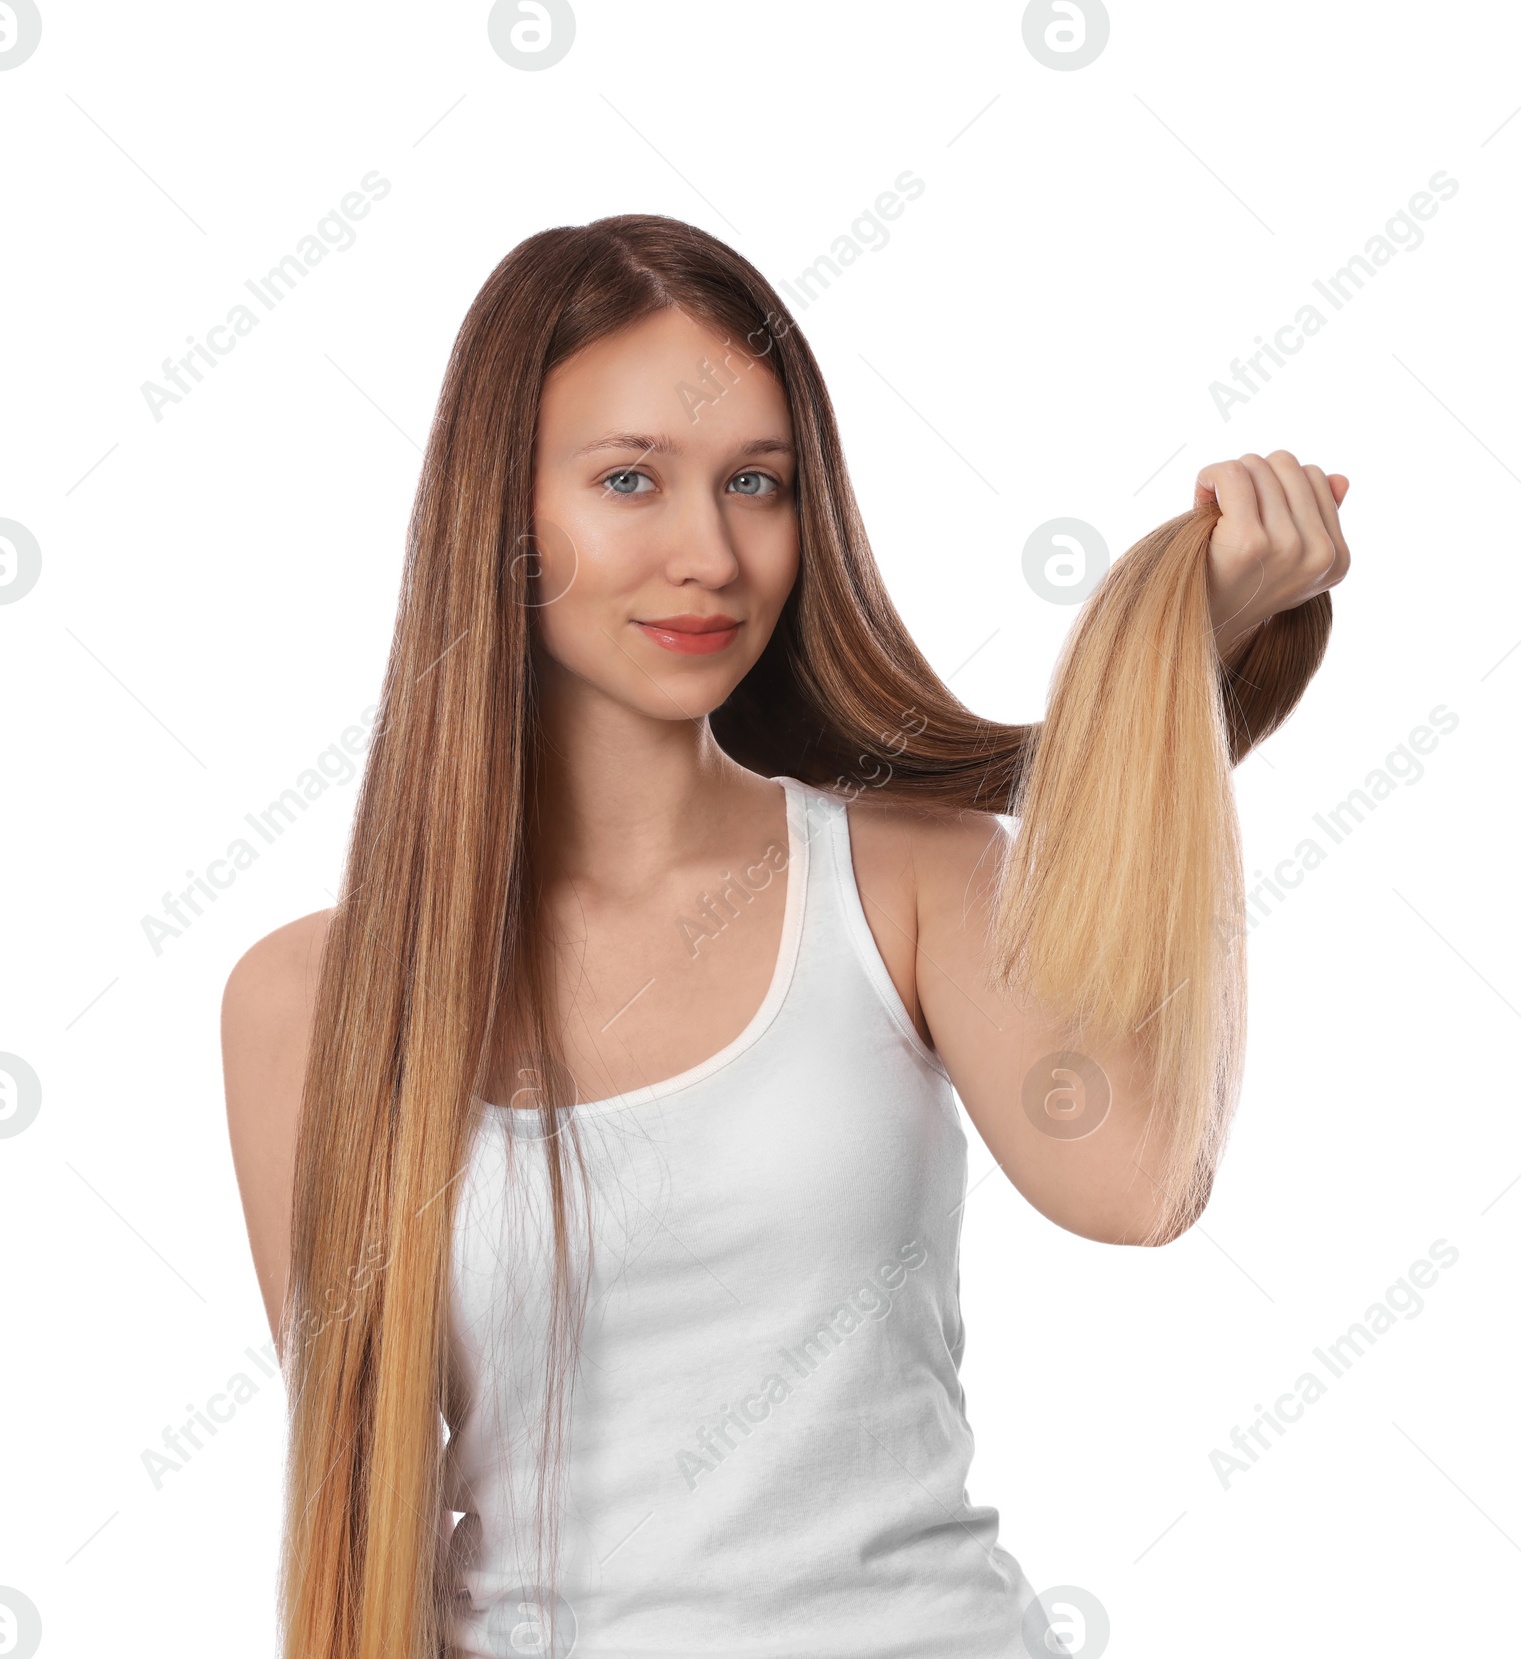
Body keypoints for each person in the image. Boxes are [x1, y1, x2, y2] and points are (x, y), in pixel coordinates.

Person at [221, 214, 1349, 1658]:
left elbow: (1137, 1185)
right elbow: (367, 1512)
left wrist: (1176, 655)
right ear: (500, 521)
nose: (710, 552)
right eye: (631, 479)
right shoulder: (309, 1005)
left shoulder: (914, 880)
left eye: (757, 483)